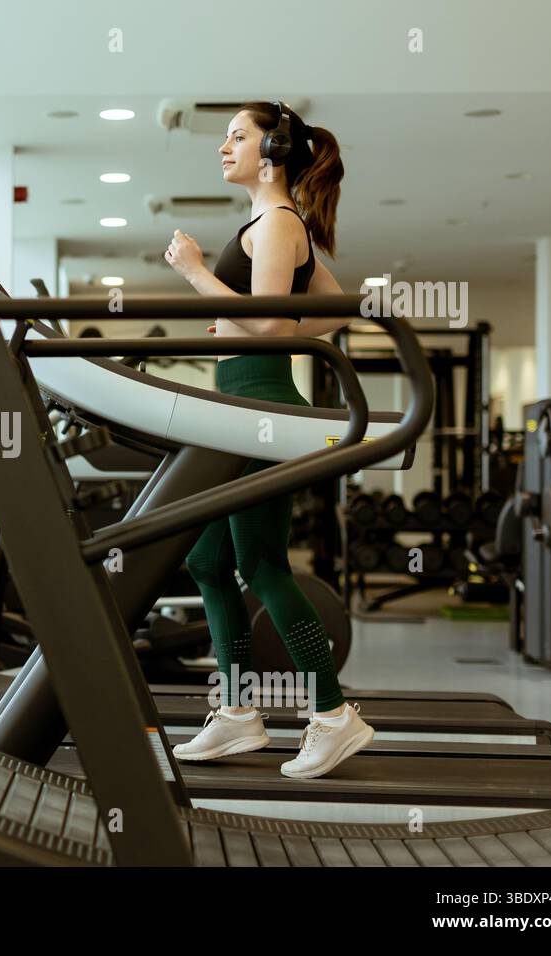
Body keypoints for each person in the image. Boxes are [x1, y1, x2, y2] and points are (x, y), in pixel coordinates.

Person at [163, 101, 370, 779]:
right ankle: (239, 714)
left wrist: (196, 273)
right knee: (206, 561)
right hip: (239, 404)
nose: (224, 147)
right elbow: (336, 308)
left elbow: (276, 330)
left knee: (263, 564)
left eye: (237, 136)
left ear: (273, 149)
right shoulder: (268, 225)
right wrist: (234, 327)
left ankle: (334, 716)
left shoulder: (278, 224)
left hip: (258, 409)